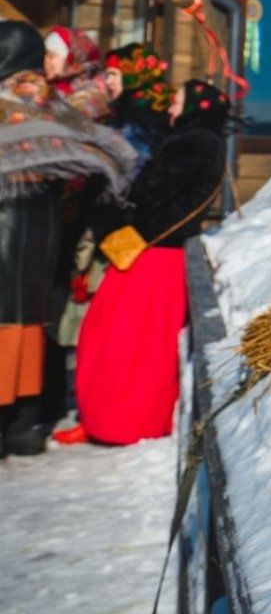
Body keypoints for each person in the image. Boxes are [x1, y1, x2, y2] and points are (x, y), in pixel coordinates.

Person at [0, 22, 134, 455]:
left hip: (5, 217)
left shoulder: (6, 97)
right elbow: (96, 148)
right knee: (31, 319)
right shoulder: (53, 101)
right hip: (43, 223)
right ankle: (24, 423)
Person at [72, 80, 229, 445]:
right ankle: (106, 418)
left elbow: (158, 192)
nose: (170, 108)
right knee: (112, 336)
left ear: (195, 106)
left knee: (131, 343)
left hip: (156, 256)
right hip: (151, 251)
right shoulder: (193, 140)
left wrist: (126, 204)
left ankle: (126, 423)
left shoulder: (196, 143)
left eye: (176, 101)